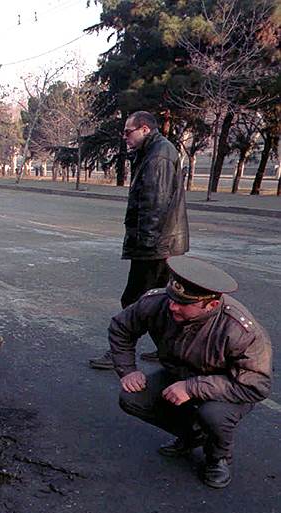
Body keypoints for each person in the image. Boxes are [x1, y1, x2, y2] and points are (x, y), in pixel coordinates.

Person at [111, 256, 272, 489]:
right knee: (132, 397)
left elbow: (256, 385)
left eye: (183, 304)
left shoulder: (240, 331)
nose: (172, 306)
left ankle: (218, 458)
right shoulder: (159, 302)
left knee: (213, 415)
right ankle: (192, 435)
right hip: (179, 373)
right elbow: (121, 328)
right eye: (172, 298)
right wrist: (127, 370)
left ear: (212, 305)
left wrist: (191, 387)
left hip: (228, 386)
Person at [90, 111, 189, 369]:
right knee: (161, 301)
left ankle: (120, 353)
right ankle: (171, 351)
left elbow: (154, 204)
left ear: (145, 129)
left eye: (128, 131)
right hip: (160, 242)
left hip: (156, 244)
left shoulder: (158, 155)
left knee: (135, 300)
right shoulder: (154, 151)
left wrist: (146, 245)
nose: (124, 137)